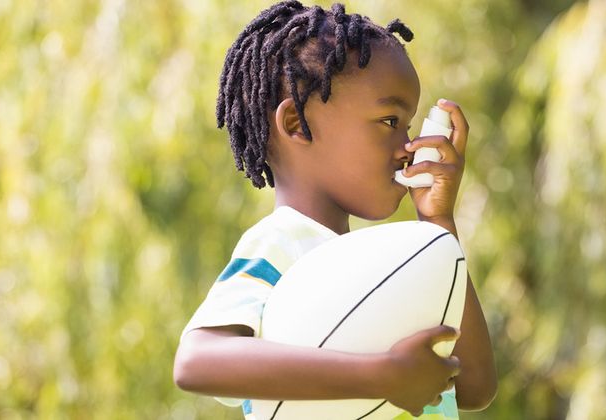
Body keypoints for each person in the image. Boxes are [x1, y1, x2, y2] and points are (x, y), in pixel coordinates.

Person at [173, 1, 497, 418]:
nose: (408, 147)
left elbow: (474, 388)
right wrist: (380, 377)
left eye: (410, 125)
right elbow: (197, 361)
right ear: (295, 124)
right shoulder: (281, 243)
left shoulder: (394, 267)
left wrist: (438, 223)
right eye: (388, 121)